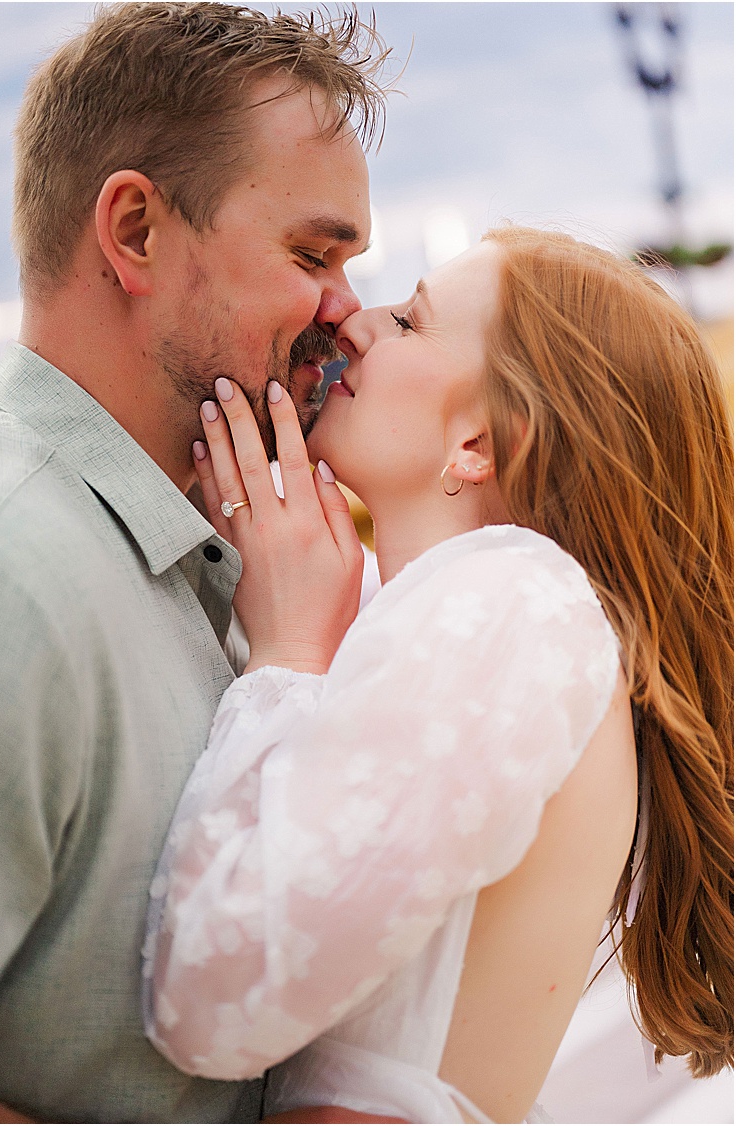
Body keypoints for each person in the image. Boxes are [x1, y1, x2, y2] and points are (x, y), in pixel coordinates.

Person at [145, 227, 734, 1122]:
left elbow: (212, 1001)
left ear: (477, 445)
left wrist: (289, 655)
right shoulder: (509, 621)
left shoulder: (508, 605)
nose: (354, 321)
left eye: (412, 321)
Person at [0, 3, 391, 1120]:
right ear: (136, 233)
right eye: (313, 253)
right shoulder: (20, 577)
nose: (346, 310)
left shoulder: (224, 554)